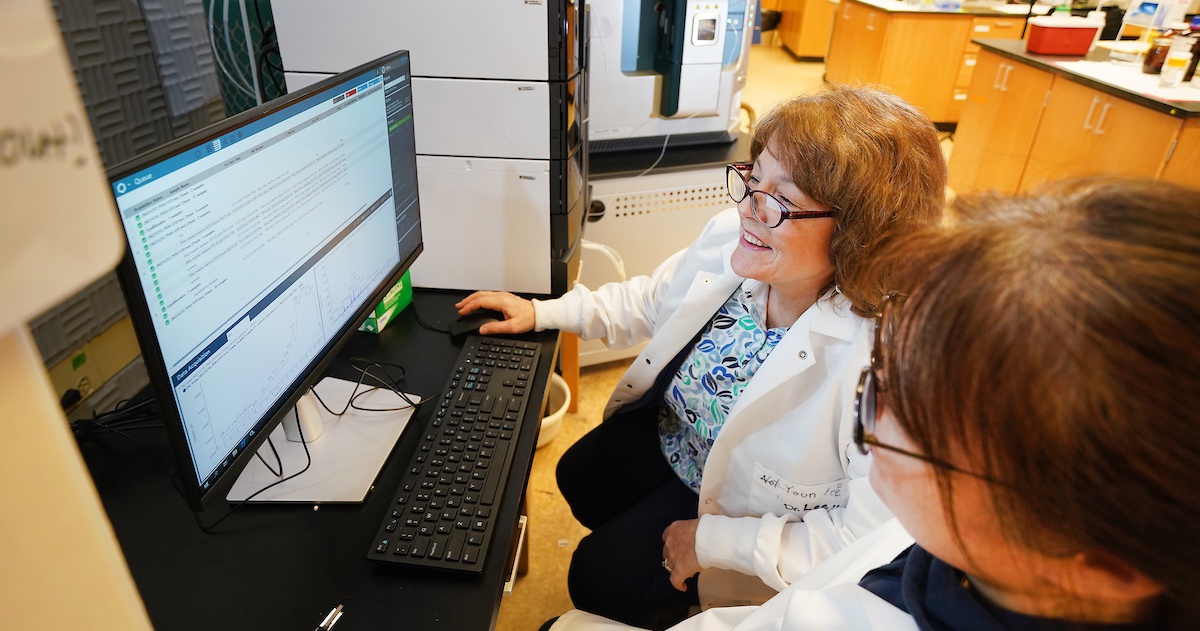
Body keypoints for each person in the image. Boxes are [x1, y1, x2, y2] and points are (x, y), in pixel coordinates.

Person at [546, 176, 1200, 631]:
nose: (871, 418)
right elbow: (651, 299)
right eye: (883, 381)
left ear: (1108, 565)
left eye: (911, 416)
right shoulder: (967, 550)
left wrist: (713, 541)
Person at [456, 85, 948, 628]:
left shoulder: (886, 366)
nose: (748, 209)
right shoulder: (733, 242)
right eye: (752, 179)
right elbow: (651, 299)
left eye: (782, 200)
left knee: (596, 578)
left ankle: (673, 592)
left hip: (745, 509)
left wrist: (714, 542)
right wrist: (544, 313)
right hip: (676, 438)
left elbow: (862, 540)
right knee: (578, 474)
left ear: (861, 233)